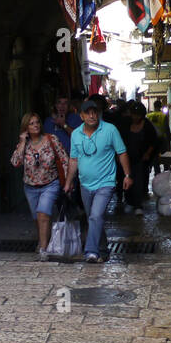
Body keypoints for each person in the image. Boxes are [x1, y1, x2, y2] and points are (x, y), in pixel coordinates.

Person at [63, 98, 133, 262]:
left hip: (106, 183)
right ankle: (102, 249)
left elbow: (121, 152)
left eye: (95, 112)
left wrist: (128, 175)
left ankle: (90, 251)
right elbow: (73, 159)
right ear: (81, 116)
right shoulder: (76, 134)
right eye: (88, 113)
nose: (92, 115)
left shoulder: (110, 130)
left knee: (95, 216)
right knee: (94, 218)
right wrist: (68, 182)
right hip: (85, 184)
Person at [10, 112, 68, 258]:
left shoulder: (51, 139)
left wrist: (68, 182)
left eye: (37, 122)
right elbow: (15, 162)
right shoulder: (24, 145)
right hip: (30, 187)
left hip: (50, 183)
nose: (35, 125)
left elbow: (64, 160)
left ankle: (43, 250)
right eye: (31, 123)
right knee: (38, 217)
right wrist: (22, 142)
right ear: (26, 127)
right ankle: (44, 241)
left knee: (43, 214)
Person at [119, 104, 159, 213]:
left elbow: (153, 142)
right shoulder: (126, 124)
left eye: (138, 115)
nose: (135, 117)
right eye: (134, 115)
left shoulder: (147, 125)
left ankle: (138, 205)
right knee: (127, 179)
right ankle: (130, 201)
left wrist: (147, 154)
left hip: (141, 159)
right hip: (127, 158)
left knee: (139, 181)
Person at [147, 100, 170, 172]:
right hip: (162, 139)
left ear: (154, 106)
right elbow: (166, 128)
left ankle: (157, 173)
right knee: (165, 158)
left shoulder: (148, 116)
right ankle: (166, 172)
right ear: (160, 106)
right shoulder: (163, 115)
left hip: (153, 140)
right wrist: (169, 137)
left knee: (155, 159)